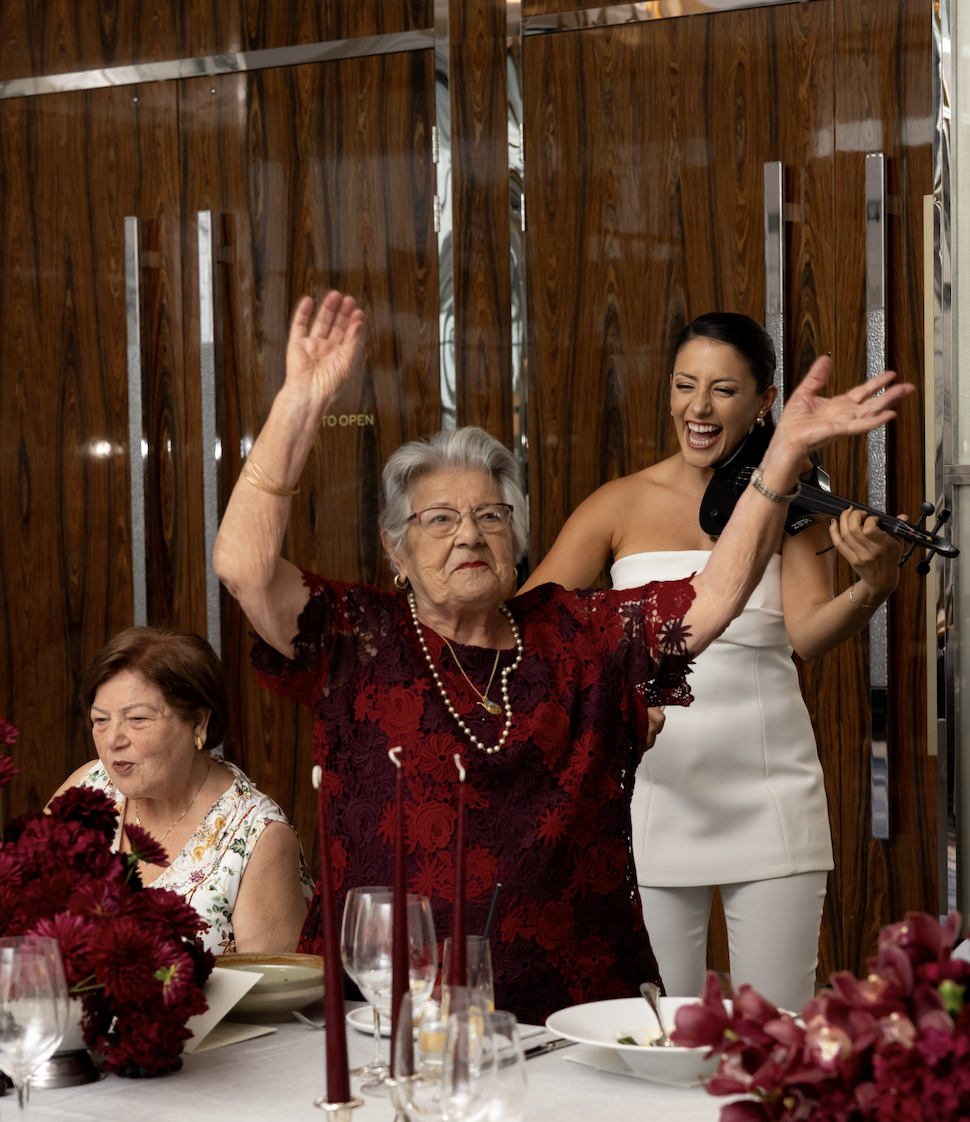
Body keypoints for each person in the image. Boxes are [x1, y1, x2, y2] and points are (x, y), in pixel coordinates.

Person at [212, 291, 908, 1024]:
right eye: (439, 519)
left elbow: (713, 598)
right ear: (396, 548)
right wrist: (300, 401)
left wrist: (783, 458)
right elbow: (244, 567)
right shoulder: (363, 637)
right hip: (389, 1015)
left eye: (491, 516)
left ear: (518, 537)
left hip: (577, 1013)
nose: (469, 536)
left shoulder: (574, 633)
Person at [522, 313, 906, 1012]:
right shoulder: (619, 503)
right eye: (684, 385)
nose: (698, 409)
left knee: (777, 1032)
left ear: (766, 402)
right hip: (650, 797)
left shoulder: (787, 503)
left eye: (723, 390)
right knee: (655, 1029)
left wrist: (873, 587)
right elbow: (529, 629)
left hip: (771, 797)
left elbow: (811, 633)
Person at [51, 627, 313, 953]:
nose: (112, 740)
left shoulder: (259, 838)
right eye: (100, 720)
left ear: (198, 723)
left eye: (137, 719)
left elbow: (271, 996)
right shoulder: (88, 789)